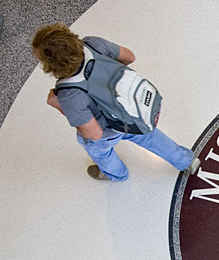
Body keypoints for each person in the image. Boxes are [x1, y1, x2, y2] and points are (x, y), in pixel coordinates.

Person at [31, 23, 199, 181]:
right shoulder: (93, 44)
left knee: (99, 151)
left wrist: (60, 106)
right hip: (132, 113)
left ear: (50, 66)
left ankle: (116, 175)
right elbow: (129, 57)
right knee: (150, 137)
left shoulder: (69, 94)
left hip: (109, 130)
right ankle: (186, 161)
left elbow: (94, 134)